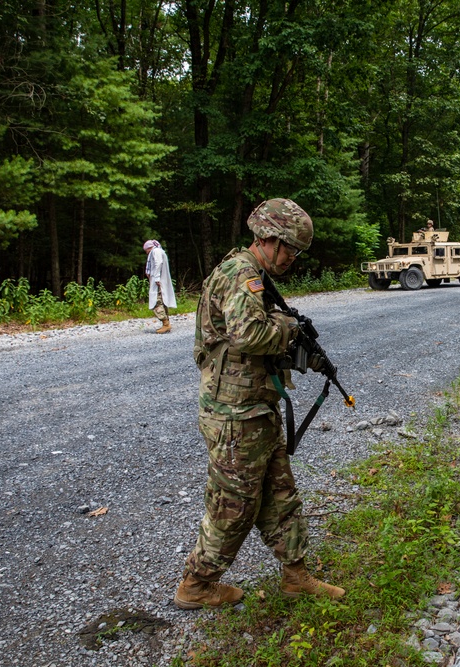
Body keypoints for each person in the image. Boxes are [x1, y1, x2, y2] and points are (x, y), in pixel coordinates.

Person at [174, 198, 345, 610]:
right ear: (268, 239)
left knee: (280, 493)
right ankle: (197, 585)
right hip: (234, 414)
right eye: (289, 249)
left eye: (297, 252)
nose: (292, 259)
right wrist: (288, 329)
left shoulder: (257, 276)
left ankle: (296, 576)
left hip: (256, 407)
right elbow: (250, 335)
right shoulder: (240, 274)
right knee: (233, 504)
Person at [144, 240, 176, 333]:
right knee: (162, 301)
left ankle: (166, 324)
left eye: (146, 250)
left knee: (156, 302)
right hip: (160, 280)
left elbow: (158, 263)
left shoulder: (155, 251)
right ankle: (166, 323)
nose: (146, 253)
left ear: (148, 248)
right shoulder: (160, 251)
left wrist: (157, 278)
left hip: (158, 281)